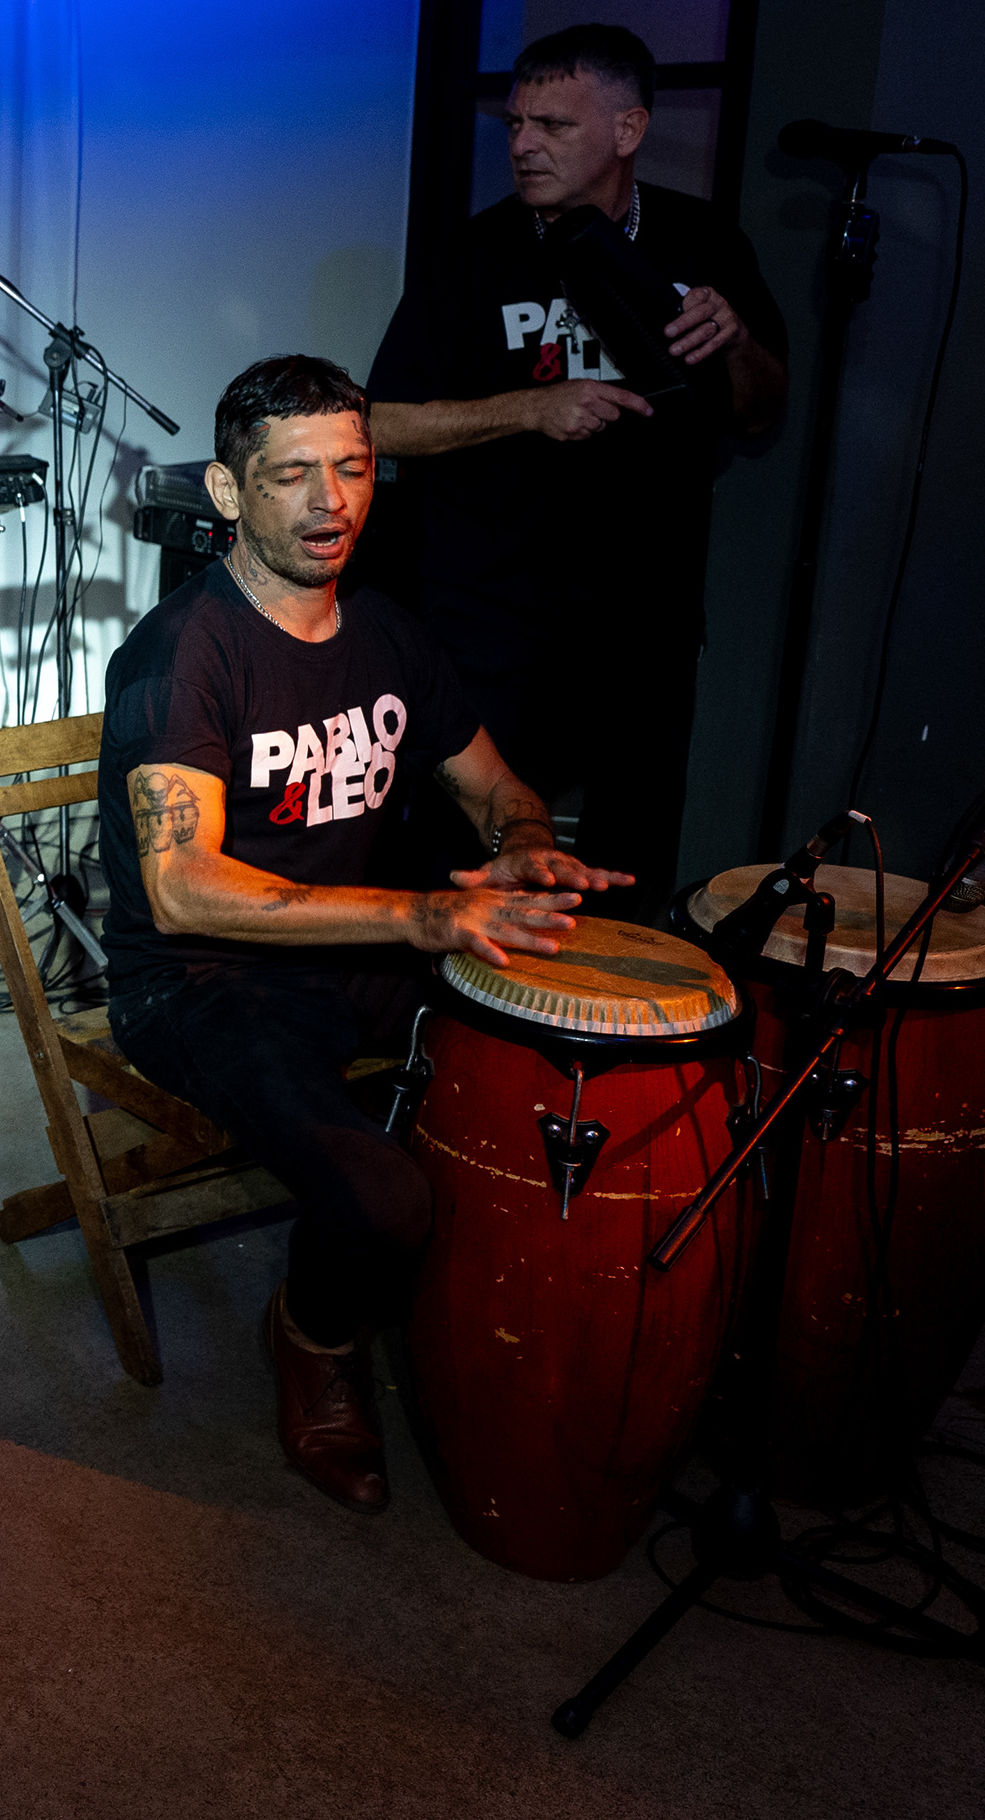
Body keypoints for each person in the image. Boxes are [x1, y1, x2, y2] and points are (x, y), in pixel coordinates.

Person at [99, 358, 622, 1514]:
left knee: (568, 1064)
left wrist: (525, 842)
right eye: (293, 473)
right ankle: (313, 1336)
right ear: (229, 492)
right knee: (383, 1199)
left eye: (352, 467)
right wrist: (426, 914)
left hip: (352, 952)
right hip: (202, 980)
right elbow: (182, 889)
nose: (329, 500)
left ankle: (514, 1313)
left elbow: (499, 790)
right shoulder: (186, 652)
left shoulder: (386, 633)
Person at [364, 23, 787, 914]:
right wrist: (529, 408)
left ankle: (609, 1002)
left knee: (631, 860)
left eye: (553, 125)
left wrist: (736, 341)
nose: (524, 144)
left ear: (629, 129)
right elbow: (380, 422)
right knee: (467, 854)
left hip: (644, 618)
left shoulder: (703, 243)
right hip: (494, 616)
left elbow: (759, 413)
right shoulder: (473, 255)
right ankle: (448, 1004)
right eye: (517, 123)